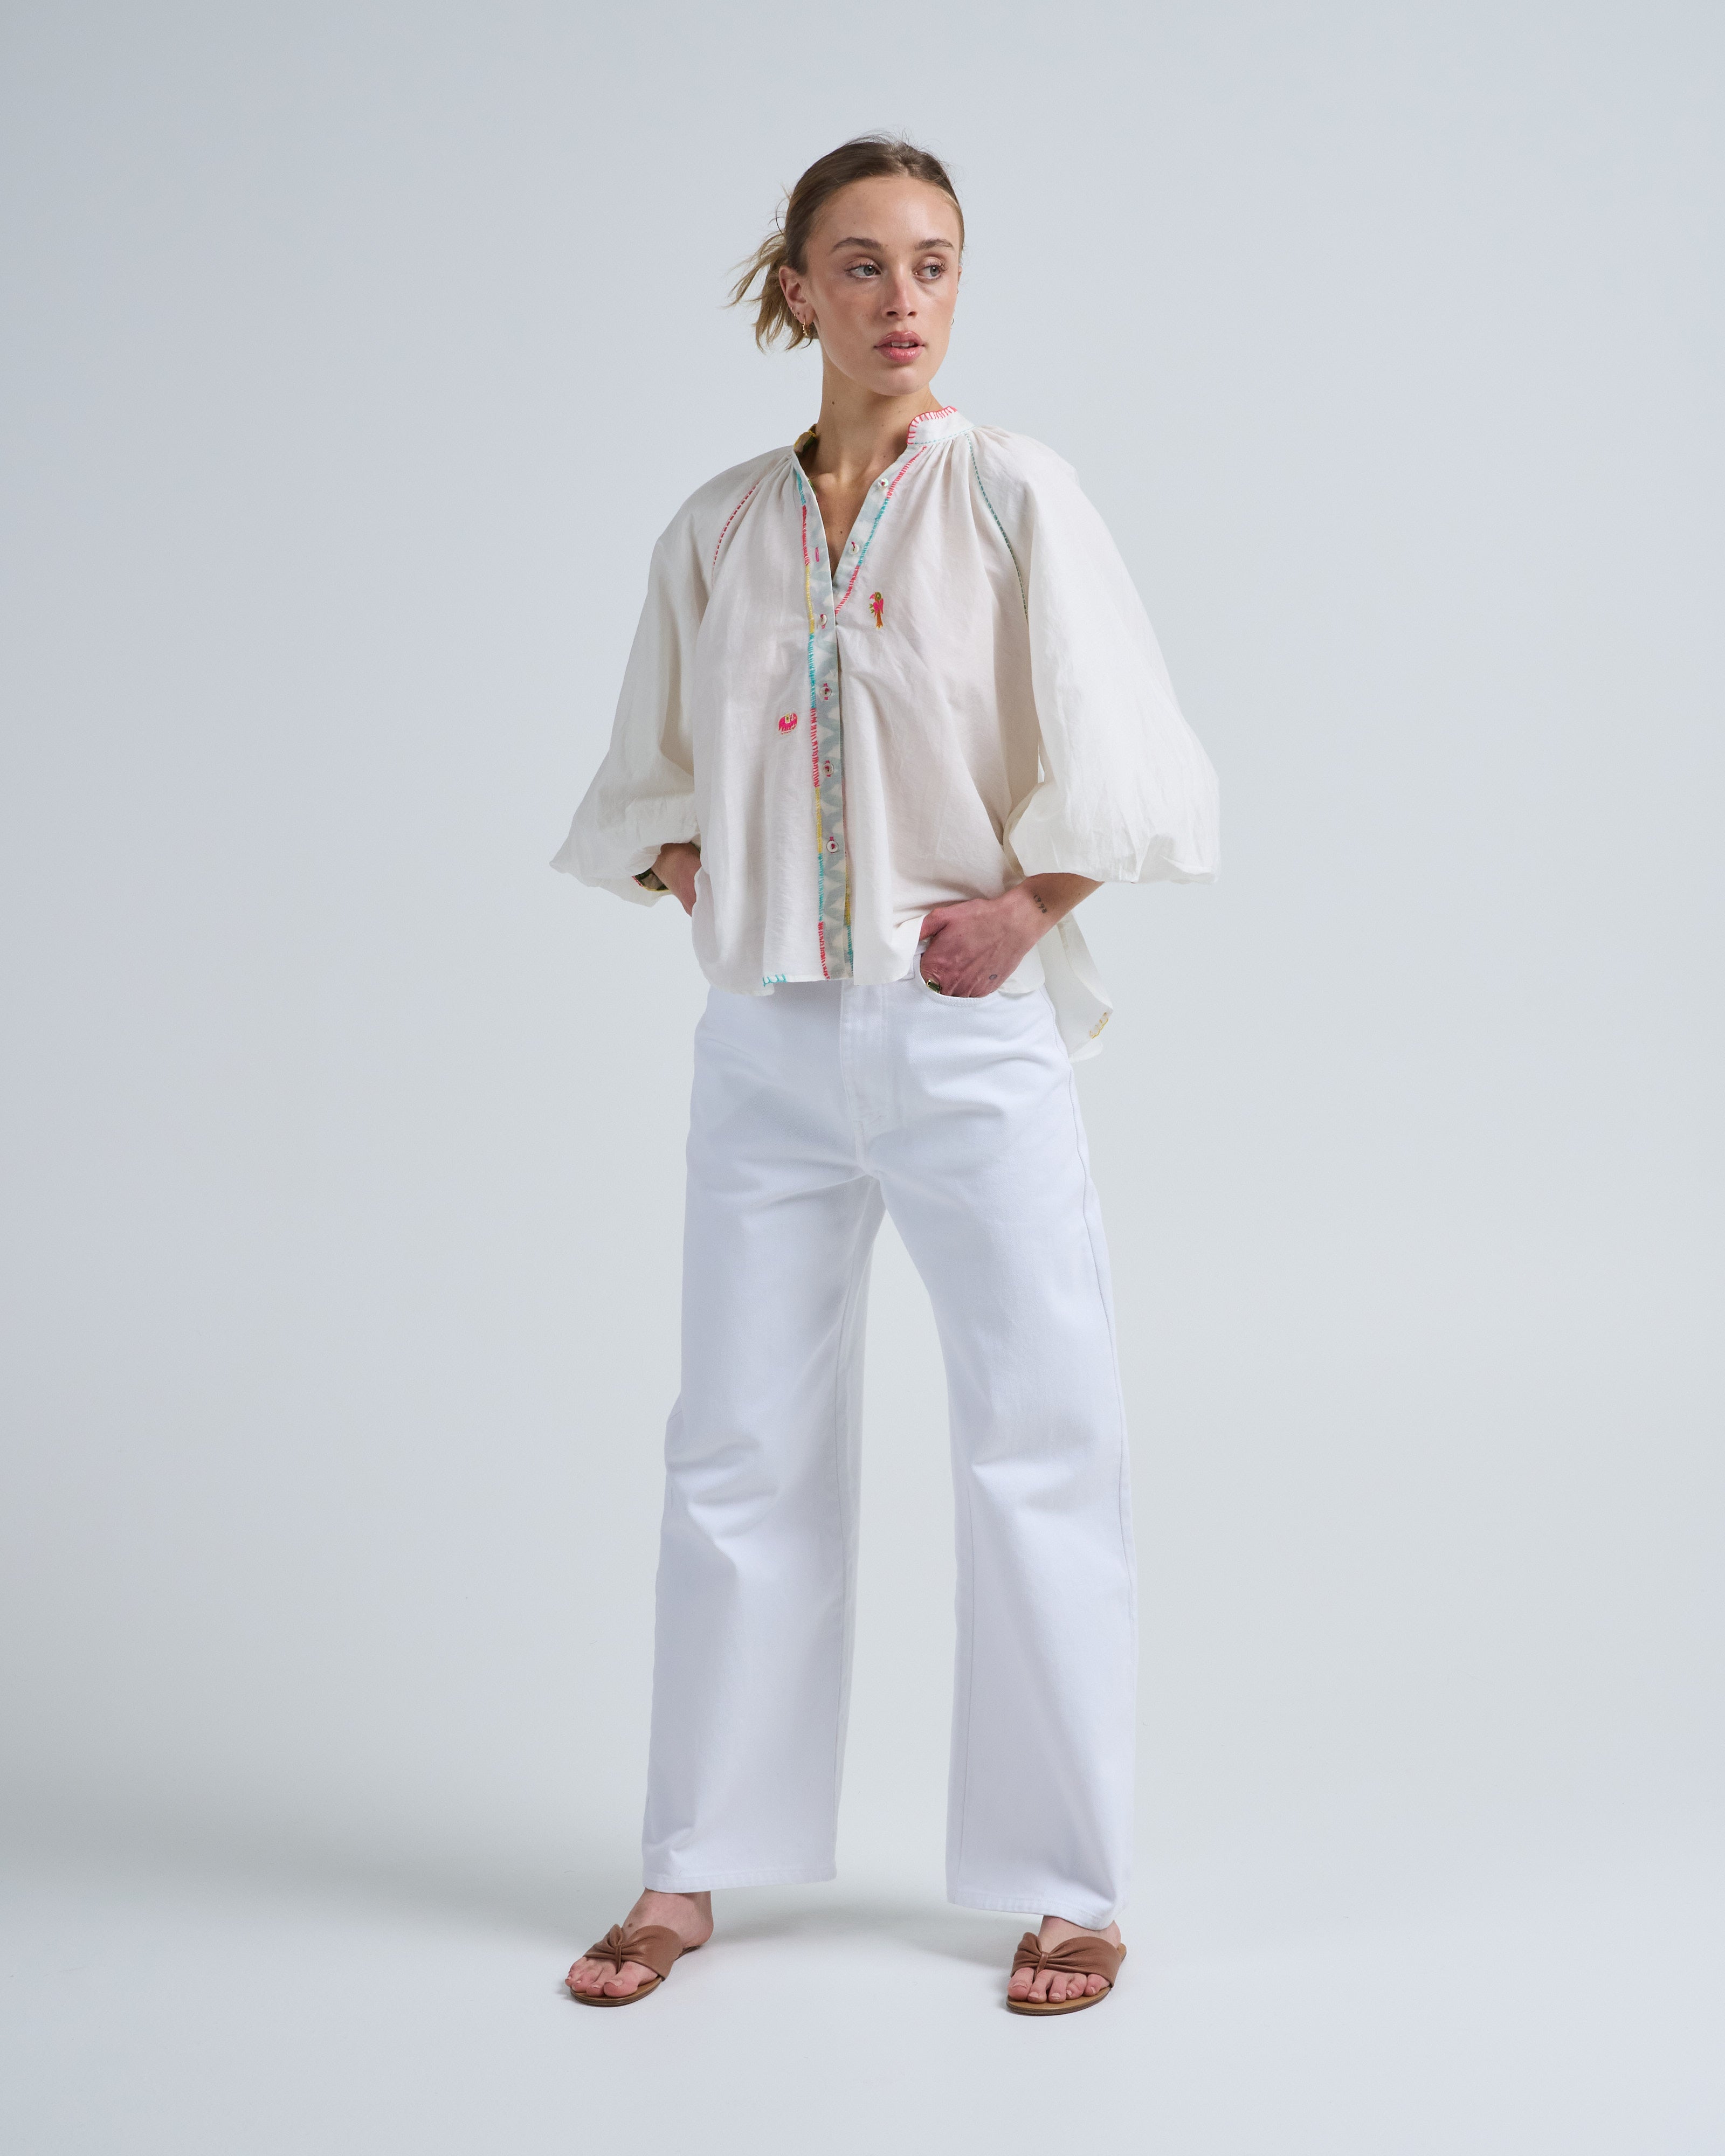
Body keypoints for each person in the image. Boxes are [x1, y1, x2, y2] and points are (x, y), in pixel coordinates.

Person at [556, 136, 1218, 2016]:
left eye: (933, 263)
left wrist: (1030, 910)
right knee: (735, 1443)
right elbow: (650, 770)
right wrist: (695, 862)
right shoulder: (718, 526)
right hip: (765, 1046)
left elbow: (1127, 748)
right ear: (797, 290)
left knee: (1042, 1434)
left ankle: (1067, 1885)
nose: (902, 300)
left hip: (964, 1033)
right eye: (860, 265)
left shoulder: (1011, 494)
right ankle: (691, 1866)